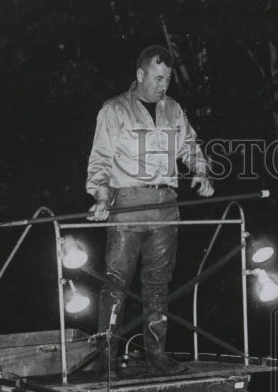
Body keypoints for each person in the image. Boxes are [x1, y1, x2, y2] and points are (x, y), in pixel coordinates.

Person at [86, 44, 214, 374]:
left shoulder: (173, 109)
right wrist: (101, 197)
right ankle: (106, 361)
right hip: (128, 204)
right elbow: (100, 158)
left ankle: (156, 356)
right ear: (140, 74)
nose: (163, 85)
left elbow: (189, 145)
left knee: (158, 285)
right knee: (116, 284)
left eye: (167, 79)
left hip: (166, 206)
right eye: (158, 78)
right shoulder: (114, 109)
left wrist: (201, 171)